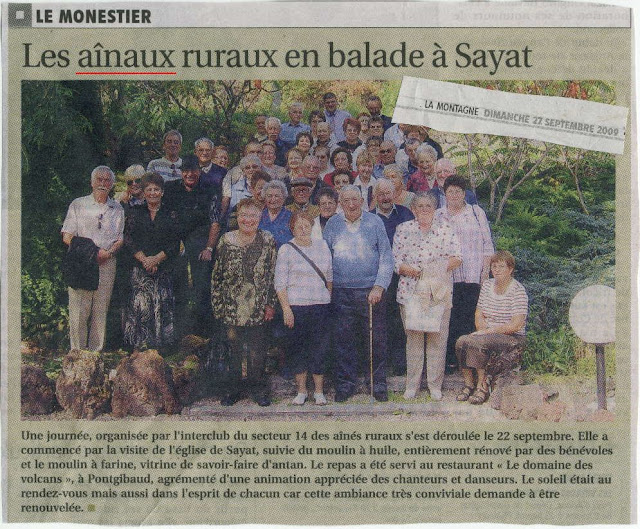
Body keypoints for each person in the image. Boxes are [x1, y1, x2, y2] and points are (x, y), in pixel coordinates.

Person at [323, 185, 394, 402]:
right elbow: (325, 258)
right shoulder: (333, 224)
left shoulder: (375, 222)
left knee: (376, 340)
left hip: (370, 292)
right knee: (344, 340)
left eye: (355, 200)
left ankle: (377, 384)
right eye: (346, 201)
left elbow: (386, 257)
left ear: (363, 201)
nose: (351, 205)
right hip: (341, 292)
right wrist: (329, 289)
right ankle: (345, 385)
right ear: (340, 204)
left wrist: (379, 286)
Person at [392, 193, 461, 400]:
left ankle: (434, 385)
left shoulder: (445, 230)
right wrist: (413, 271)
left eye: (428, 206)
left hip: (438, 291)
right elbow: (396, 261)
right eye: (419, 206)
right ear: (413, 209)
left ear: (434, 208)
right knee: (413, 340)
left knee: (437, 340)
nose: (424, 209)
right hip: (410, 291)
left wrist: (434, 272)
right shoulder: (403, 229)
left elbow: (457, 258)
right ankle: (411, 386)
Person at [211, 198, 277, 407]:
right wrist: (218, 304)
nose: (248, 220)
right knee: (234, 349)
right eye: (244, 215)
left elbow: (273, 274)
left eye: (253, 216)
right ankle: (234, 389)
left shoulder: (267, 240)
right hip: (231, 305)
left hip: (258, 305)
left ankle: (258, 389)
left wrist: (270, 304)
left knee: (258, 350)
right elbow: (217, 275)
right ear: (237, 217)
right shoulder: (226, 240)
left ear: (260, 218)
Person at [61, 166, 124, 351]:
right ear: (92, 182)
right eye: (99, 179)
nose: (103, 184)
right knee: (80, 310)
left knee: (100, 310)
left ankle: (95, 355)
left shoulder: (117, 208)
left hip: (107, 261)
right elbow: (67, 235)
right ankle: (77, 355)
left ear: (112, 184)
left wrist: (109, 253)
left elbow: (120, 238)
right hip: (81, 263)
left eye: (107, 181)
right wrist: (90, 252)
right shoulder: (78, 204)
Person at [435, 174, 493, 374]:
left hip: (472, 275)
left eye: (458, 191)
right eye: (450, 191)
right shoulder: (438, 215)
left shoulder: (476, 213)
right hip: (447, 277)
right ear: (445, 193)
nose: (454, 195)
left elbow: (487, 245)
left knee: (470, 318)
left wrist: (485, 275)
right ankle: (452, 361)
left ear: (464, 193)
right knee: (450, 319)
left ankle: (471, 363)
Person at [455, 250, 528, 405]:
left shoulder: (517, 290)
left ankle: (482, 388)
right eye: (494, 266)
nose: (497, 270)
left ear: (510, 269)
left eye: (501, 266)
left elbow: (516, 324)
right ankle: (469, 385)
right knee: (461, 341)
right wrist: (482, 330)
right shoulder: (487, 285)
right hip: (488, 332)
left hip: (512, 337)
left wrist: (489, 332)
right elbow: (479, 312)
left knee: (479, 343)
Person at [275, 211, 333, 405]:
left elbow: (329, 277)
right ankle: (301, 391)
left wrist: (326, 299)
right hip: (296, 306)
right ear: (292, 228)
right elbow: (280, 284)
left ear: (312, 226)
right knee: (298, 348)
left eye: (306, 225)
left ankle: (318, 392)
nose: (303, 229)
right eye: (298, 226)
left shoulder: (322, 246)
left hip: (320, 306)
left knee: (320, 348)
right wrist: (286, 309)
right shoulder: (286, 249)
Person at [164, 155, 221, 338]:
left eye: (193, 170)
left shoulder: (210, 189)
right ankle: (178, 334)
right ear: (181, 172)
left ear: (199, 171)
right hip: (176, 243)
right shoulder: (171, 188)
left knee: (202, 288)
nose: (189, 174)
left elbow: (214, 222)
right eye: (186, 171)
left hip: (201, 242)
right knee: (178, 289)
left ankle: (203, 335)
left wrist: (209, 248)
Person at [123, 172, 180, 352]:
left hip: (163, 267)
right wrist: (145, 260)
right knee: (141, 305)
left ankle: (162, 349)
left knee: (161, 305)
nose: (153, 193)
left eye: (156, 189)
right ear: (144, 192)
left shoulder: (171, 214)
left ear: (162, 192)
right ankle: (139, 347)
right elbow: (128, 239)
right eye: (149, 189)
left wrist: (156, 259)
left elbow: (175, 242)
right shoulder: (135, 213)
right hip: (140, 268)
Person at [371, 178, 414, 375]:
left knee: (399, 320)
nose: (385, 197)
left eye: (388, 193)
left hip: (402, 277)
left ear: (395, 194)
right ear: (375, 197)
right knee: (380, 320)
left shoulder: (405, 214)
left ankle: (400, 364)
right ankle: (380, 364)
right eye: (381, 194)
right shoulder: (369, 218)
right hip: (378, 278)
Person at [259, 180, 292, 248]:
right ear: (264, 198)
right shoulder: (258, 216)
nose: (273, 199)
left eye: (277, 196)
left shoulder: (291, 217)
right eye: (269, 196)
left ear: (283, 198)